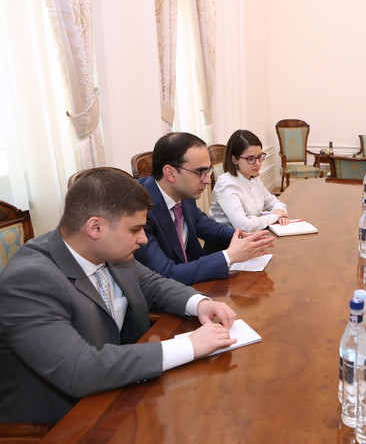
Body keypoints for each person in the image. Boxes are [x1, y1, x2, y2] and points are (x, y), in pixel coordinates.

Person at [0, 169, 238, 424]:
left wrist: (199, 303)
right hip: (64, 419)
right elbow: (79, 369)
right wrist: (189, 345)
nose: (143, 239)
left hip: (121, 390)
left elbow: (151, 283)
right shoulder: (29, 280)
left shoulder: (105, 250)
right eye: (135, 229)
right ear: (95, 227)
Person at [134, 132, 275, 286]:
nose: (208, 180)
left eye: (208, 171)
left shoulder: (184, 194)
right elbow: (166, 273)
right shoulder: (138, 209)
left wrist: (243, 237)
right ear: (170, 173)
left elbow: (209, 227)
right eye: (200, 172)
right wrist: (228, 256)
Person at [209, 129, 289, 232]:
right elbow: (244, 226)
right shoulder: (226, 185)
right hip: (229, 240)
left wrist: (281, 214)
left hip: (252, 236)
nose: (258, 163)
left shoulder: (253, 178)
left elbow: (274, 203)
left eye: (260, 157)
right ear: (234, 159)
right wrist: (275, 216)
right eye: (251, 159)